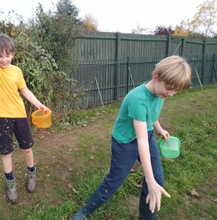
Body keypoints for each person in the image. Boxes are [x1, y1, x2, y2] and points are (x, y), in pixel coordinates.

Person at [73, 55, 191, 220]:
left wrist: (159, 129)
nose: (171, 94)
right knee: (115, 181)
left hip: (146, 134)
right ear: (155, 77)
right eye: (169, 88)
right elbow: (140, 141)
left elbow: (151, 114)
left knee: (157, 180)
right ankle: (85, 211)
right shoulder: (138, 99)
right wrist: (148, 181)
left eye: (175, 91)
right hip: (125, 142)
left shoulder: (159, 93)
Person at [0, 10, 48, 204]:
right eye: (0, 56)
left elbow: (25, 90)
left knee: (27, 149)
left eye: (7, 55)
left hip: (19, 115)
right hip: (1, 117)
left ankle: (31, 174)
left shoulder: (17, 71)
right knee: (6, 153)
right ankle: (10, 183)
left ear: (12, 54)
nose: (4, 59)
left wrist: (38, 104)